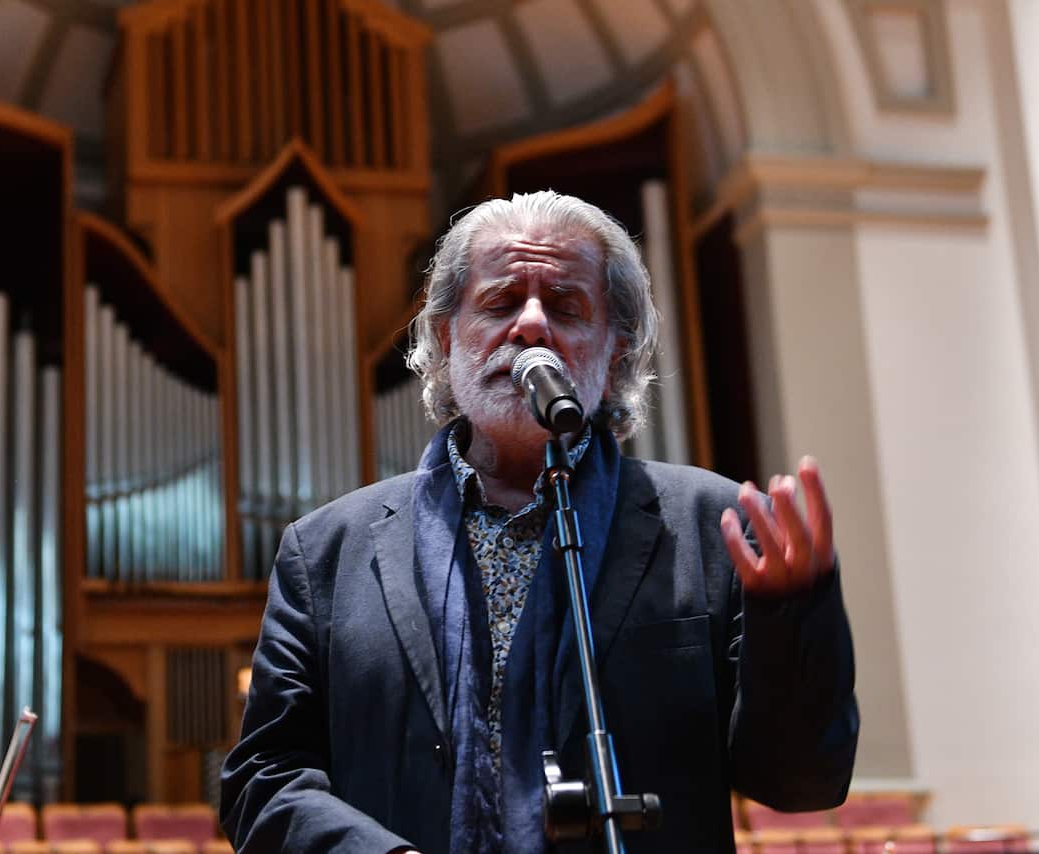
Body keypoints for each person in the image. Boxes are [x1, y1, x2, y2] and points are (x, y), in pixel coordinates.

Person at [220, 191, 858, 853]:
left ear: (614, 353)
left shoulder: (714, 529)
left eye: (566, 306)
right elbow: (262, 780)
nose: (531, 325)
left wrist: (793, 618)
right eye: (499, 303)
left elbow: (801, 784)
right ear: (446, 338)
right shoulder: (324, 552)